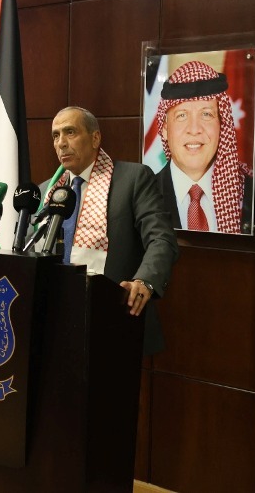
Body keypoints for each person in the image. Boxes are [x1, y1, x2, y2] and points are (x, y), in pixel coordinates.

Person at [47, 106, 178, 354]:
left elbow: (161, 239)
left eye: (70, 132)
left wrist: (145, 280)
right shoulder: (50, 192)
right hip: (55, 322)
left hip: (113, 319)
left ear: (95, 138)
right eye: (56, 135)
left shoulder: (132, 179)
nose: (61, 143)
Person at [154, 60, 253, 234]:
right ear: (165, 130)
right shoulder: (143, 195)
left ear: (222, 125)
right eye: (182, 115)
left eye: (206, 114)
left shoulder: (251, 194)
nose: (194, 129)